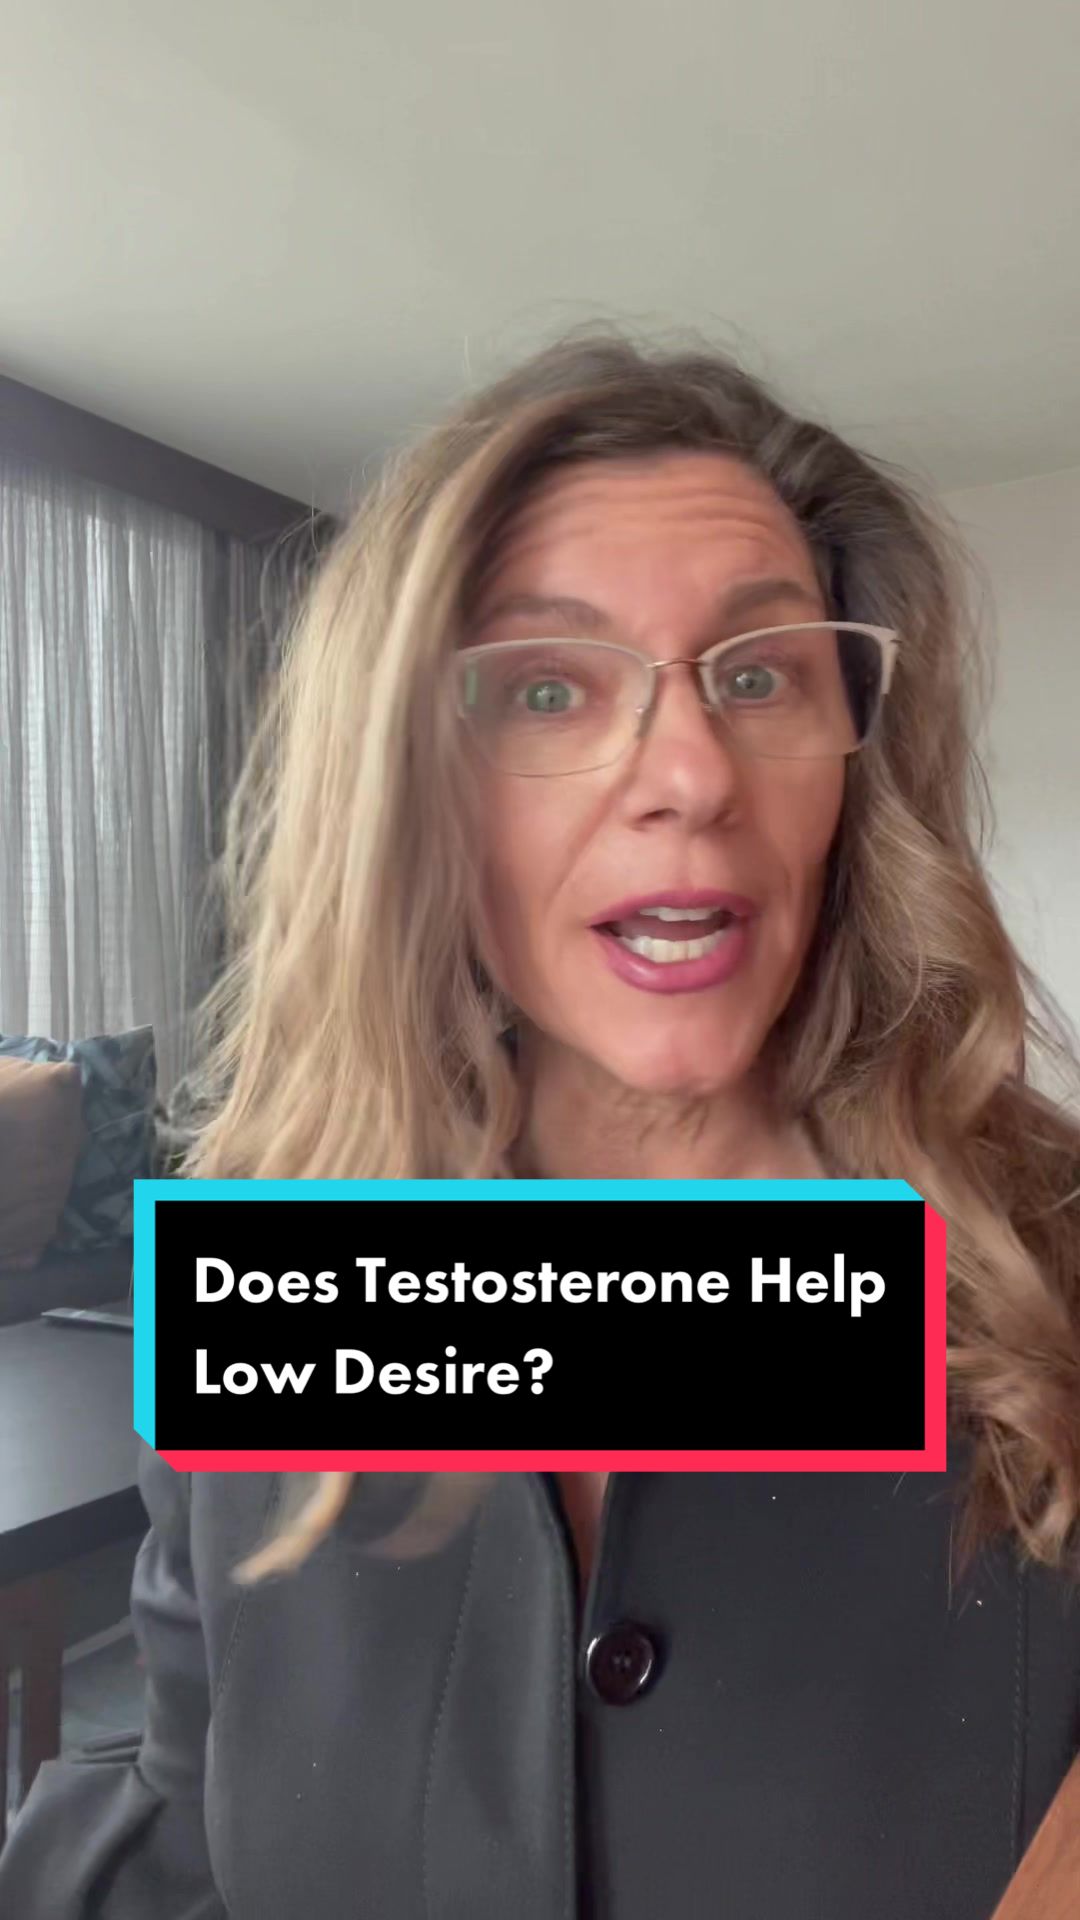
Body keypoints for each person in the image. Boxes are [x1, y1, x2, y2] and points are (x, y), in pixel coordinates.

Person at [3, 329, 1079, 1920]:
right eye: (550, 687)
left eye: (761, 673)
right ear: (412, 793)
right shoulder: (275, 1275)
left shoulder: (1048, 1266)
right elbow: (187, 1821)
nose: (692, 771)